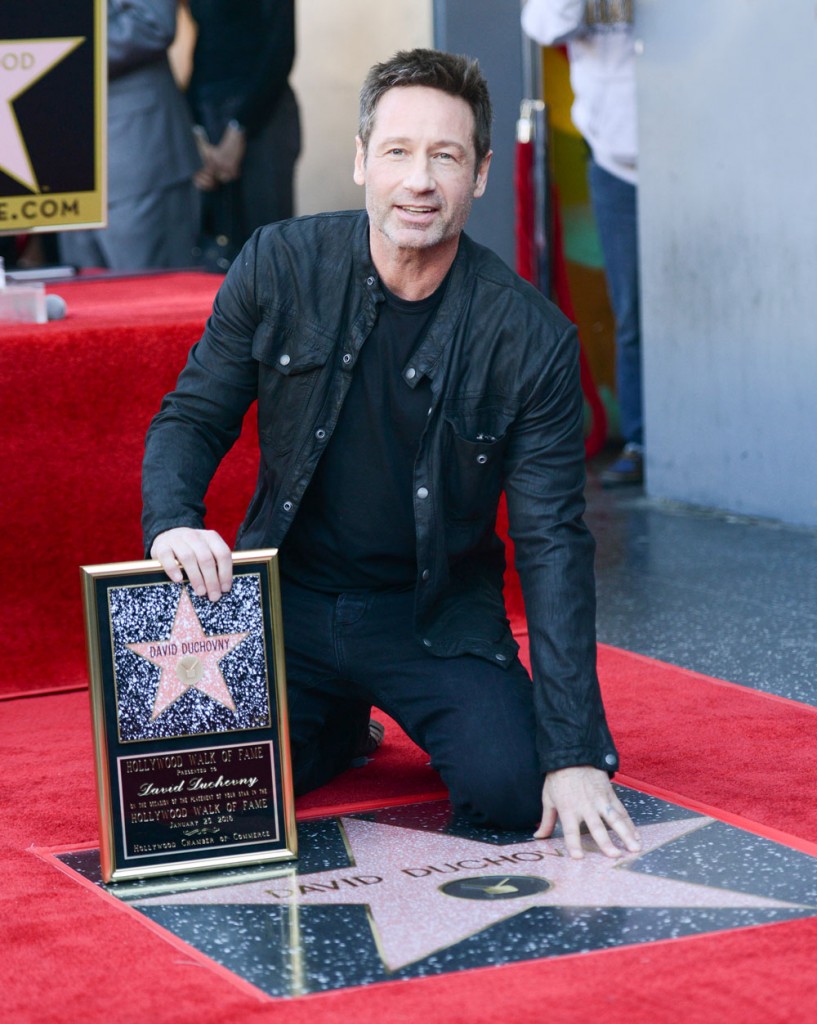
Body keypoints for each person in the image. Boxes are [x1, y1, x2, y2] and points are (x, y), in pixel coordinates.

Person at [142, 48, 641, 861]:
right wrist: (171, 522)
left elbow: (553, 543)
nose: (419, 180)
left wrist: (575, 748)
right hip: (286, 601)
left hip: (431, 615)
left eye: (445, 156)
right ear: (360, 161)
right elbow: (191, 416)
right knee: (202, 786)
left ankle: (360, 708)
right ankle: (337, 725)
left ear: (479, 173)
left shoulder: (531, 338)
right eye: (398, 152)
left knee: (517, 792)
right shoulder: (279, 265)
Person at [522, 0, 644, 486]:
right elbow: (545, 24)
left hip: (695, 150)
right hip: (617, 162)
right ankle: (643, 440)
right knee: (632, 309)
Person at [59, 0, 200, 271]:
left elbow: (153, 24)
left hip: (137, 151)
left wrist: (56, 49)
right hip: (67, 163)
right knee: (86, 303)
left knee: (157, 301)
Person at [184, 0, 301, 269]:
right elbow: (201, 48)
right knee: (212, 250)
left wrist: (240, 129)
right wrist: (196, 133)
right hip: (208, 112)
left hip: (264, 116)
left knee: (268, 247)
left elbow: (280, 50)